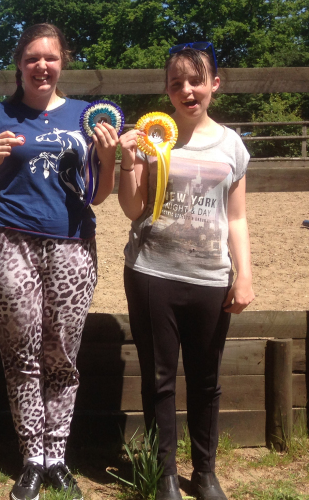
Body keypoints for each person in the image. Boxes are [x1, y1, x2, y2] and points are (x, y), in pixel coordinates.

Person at [0, 23, 119, 500]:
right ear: (19, 63)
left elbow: (100, 194)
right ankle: (32, 456)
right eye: (32, 58)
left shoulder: (85, 116)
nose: (41, 66)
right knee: (21, 352)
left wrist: (109, 158)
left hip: (72, 242)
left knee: (62, 353)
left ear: (62, 61)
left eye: (50, 57)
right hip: (9, 240)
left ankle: (58, 455)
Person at [118, 43, 254, 500]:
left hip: (211, 278)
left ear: (215, 83)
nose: (186, 90)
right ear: (167, 90)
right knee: (158, 379)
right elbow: (133, 209)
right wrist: (129, 162)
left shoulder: (232, 145)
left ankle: (205, 471)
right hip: (152, 273)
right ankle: (166, 476)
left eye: (196, 80)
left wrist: (245, 274)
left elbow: (236, 217)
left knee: (206, 379)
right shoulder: (153, 139)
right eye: (176, 82)